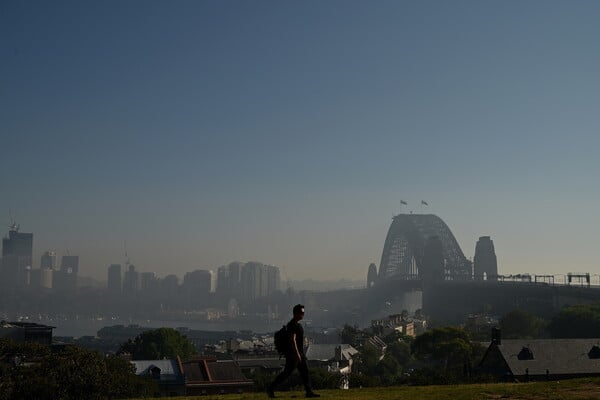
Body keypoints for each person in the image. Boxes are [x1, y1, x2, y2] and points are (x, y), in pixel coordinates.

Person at [267, 304, 320, 398]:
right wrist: (297, 354)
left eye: (303, 313)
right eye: (301, 313)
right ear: (296, 313)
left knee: (304, 372)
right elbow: (293, 340)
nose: (303, 315)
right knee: (287, 373)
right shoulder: (292, 325)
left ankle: (309, 392)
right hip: (294, 355)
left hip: (298, 353)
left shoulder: (296, 324)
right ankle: (271, 388)